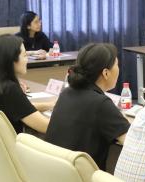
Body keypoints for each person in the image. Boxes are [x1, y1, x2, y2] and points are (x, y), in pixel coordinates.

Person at [45, 42, 130, 172]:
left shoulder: (66, 93)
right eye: (117, 65)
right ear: (106, 73)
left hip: (57, 174)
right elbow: (130, 141)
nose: (118, 69)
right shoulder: (101, 103)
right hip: (84, 179)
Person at [0, 34, 53, 134]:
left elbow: (22, 107)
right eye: (24, 55)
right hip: (14, 142)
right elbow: (47, 127)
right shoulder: (9, 89)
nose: (27, 60)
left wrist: (50, 105)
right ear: (11, 59)